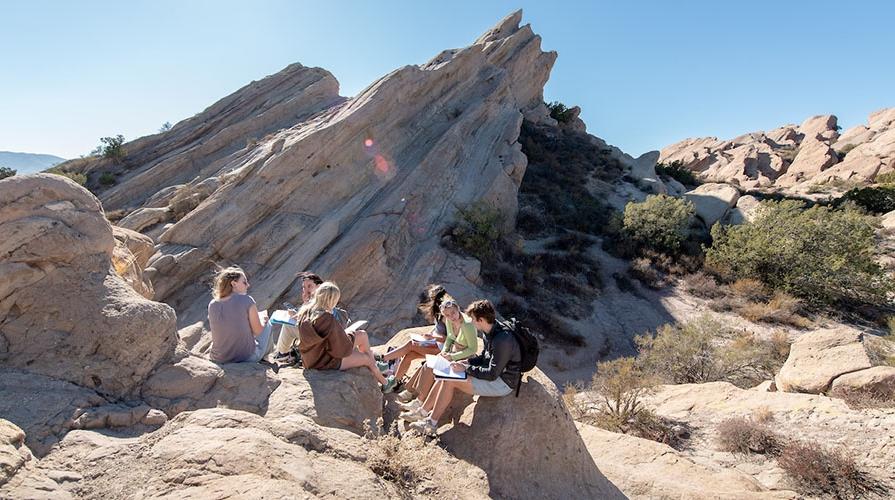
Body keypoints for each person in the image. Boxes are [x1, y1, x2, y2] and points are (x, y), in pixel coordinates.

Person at [403, 299, 520, 435]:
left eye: (473, 319)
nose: (471, 322)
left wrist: (466, 369)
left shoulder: (502, 340)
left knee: (450, 380)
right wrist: (467, 363)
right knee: (447, 375)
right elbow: (484, 357)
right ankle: (423, 412)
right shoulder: (490, 330)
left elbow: (492, 374)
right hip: (493, 375)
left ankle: (430, 424)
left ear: (481, 320)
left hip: (502, 383)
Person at [297, 281, 397, 392]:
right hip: (324, 360)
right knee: (367, 359)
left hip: (311, 356)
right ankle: (385, 382)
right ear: (331, 300)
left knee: (362, 335)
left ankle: (376, 366)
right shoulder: (326, 318)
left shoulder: (306, 312)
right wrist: (347, 336)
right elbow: (340, 349)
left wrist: (346, 335)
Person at [395, 296, 479, 413]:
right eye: (447, 315)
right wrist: (444, 351)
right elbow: (450, 338)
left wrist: (451, 356)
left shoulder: (468, 324)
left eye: (453, 313)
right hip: (452, 352)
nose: (451, 317)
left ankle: (417, 400)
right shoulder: (449, 321)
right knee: (428, 365)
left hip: (465, 358)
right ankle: (417, 400)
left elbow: (472, 349)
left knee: (434, 367)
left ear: (458, 309)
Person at [273, 271, 352, 365]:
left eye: (309, 286)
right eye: (303, 287)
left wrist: (298, 315)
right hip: (321, 339)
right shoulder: (320, 302)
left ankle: (283, 354)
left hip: (323, 341)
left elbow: (315, 324)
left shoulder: (322, 307)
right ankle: (288, 353)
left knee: (288, 327)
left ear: (319, 287)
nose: (306, 290)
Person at [380, 285, 452, 385]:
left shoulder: (447, 314)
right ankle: (394, 382)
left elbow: (450, 339)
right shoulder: (439, 311)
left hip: (443, 349)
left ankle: (382, 360)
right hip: (436, 344)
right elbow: (439, 329)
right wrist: (430, 334)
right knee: (409, 355)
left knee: (411, 344)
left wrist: (433, 337)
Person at [208, 266, 275, 364]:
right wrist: (264, 320)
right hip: (246, 358)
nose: (248, 285)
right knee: (268, 324)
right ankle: (265, 357)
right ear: (233, 284)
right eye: (244, 282)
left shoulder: (212, 304)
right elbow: (258, 331)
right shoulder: (247, 300)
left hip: (219, 358)